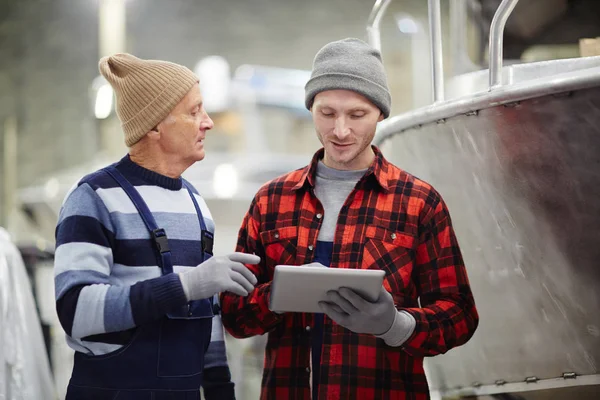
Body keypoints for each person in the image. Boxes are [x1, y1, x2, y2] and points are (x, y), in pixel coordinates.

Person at [220, 38, 479, 399]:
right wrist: (275, 296)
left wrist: (396, 325)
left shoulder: (418, 202)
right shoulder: (271, 200)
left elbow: (461, 316)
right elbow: (234, 317)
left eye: (357, 115)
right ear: (311, 109)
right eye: (327, 113)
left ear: (381, 114)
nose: (340, 131)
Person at [53, 53, 260, 399]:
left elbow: (205, 314)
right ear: (153, 125)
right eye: (194, 112)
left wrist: (220, 388)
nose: (208, 122)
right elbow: (76, 311)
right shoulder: (94, 197)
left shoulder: (196, 205)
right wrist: (185, 286)